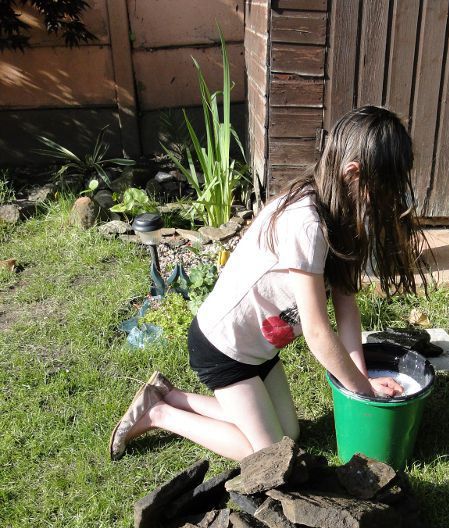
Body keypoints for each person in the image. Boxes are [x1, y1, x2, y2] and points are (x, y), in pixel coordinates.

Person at [110, 105, 428, 463]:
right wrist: (363, 390)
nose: (393, 199)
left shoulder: (345, 212)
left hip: (259, 352)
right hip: (223, 348)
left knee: (289, 433)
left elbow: (346, 304)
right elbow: (318, 332)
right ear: (353, 173)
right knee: (273, 455)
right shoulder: (306, 222)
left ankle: (170, 396)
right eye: (388, 186)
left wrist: (363, 380)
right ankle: (160, 414)